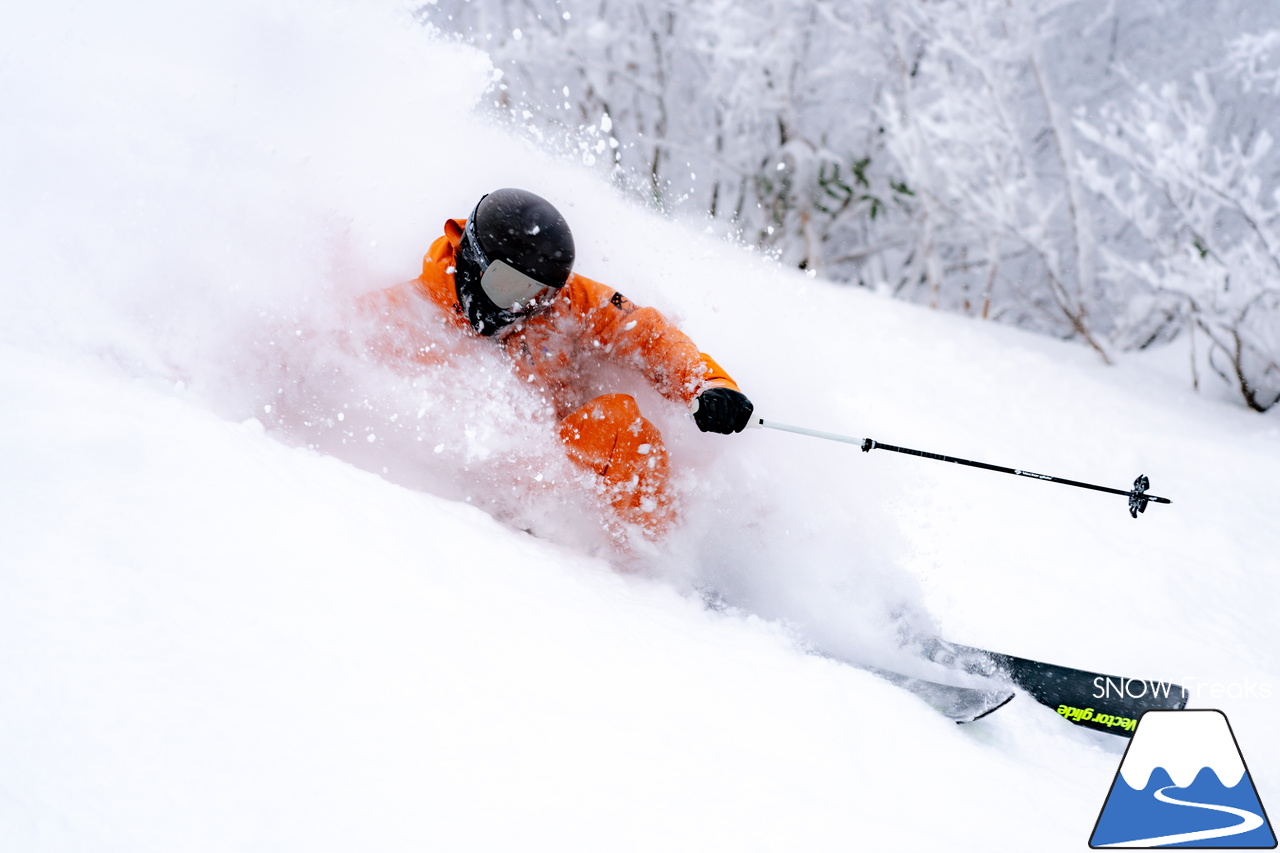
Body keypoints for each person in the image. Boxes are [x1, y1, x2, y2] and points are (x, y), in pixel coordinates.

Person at [361, 187, 754, 539]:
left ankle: (654, 561)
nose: (519, 307)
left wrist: (706, 385)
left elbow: (646, 334)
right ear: (472, 256)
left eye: (536, 294)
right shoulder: (403, 316)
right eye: (507, 286)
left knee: (619, 423)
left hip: (557, 480)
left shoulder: (561, 305)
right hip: (463, 494)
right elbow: (323, 350)